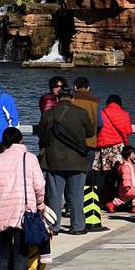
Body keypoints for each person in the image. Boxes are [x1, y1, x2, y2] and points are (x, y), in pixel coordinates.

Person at [0, 126, 45, 270]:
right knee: (20, 255)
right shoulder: (30, 158)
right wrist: (40, 204)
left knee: (2, 257)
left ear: (4, 142)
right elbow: (40, 185)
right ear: (21, 141)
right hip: (23, 213)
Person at [38, 86, 94, 235]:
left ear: (57, 99)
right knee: (76, 195)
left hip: (54, 160)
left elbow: (41, 135)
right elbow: (90, 132)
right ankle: (77, 226)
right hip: (77, 159)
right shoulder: (81, 113)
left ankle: (54, 226)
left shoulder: (48, 114)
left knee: (54, 195)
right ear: (73, 98)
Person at [96, 94, 133, 202]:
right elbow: (128, 131)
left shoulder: (101, 113)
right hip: (118, 148)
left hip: (103, 148)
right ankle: (116, 200)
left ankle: (102, 199)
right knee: (119, 175)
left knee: (103, 176)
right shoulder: (124, 114)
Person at [106, 145, 135, 214]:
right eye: (133, 153)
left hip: (130, 186)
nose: (134, 155)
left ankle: (111, 204)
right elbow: (126, 177)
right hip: (129, 187)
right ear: (129, 155)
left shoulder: (131, 164)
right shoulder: (126, 166)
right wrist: (127, 186)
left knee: (122, 199)